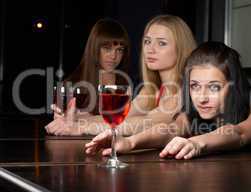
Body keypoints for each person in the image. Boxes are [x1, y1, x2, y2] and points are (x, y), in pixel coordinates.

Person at [86, 41, 251, 158]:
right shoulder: (194, 113)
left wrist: (196, 143)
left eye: (214, 87)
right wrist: (130, 142)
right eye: (195, 86)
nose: (202, 97)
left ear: (234, 86)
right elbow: (172, 129)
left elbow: (239, 134)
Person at [46, 14, 197, 136]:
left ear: (181, 49)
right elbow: (118, 118)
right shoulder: (151, 90)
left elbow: (145, 124)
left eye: (161, 43)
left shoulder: (183, 90)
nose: (150, 49)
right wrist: (74, 118)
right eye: (147, 41)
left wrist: (80, 128)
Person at [45, 18, 130, 134]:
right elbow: (60, 126)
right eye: (107, 48)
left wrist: (82, 119)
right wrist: (62, 117)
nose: (114, 56)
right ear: (94, 48)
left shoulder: (126, 83)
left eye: (119, 50)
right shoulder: (68, 86)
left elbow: (129, 122)